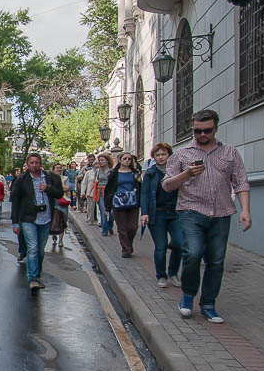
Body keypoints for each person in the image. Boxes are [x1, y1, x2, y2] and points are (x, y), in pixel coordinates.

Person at [162, 109, 251, 324]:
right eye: (197, 131)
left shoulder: (230, 153)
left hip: (221, 213)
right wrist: (187, 174)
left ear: (215, 128)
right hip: (191, 212)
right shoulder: (182, 155)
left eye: (207, 131)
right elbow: (167, 185)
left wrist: (245, 210)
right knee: (192, 254)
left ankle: (208, 305)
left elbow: (241, 182)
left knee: (216, 261)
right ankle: (188, 296)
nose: (202, 135)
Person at [11, 153, 64, 292]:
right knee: (33, 247)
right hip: (28, 218)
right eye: (31, 163)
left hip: (45, 218)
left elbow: (59, 193)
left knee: (40, 250)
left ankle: (37, 274)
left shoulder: (50, 177)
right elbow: (15, 202)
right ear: (27, 165)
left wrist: (48, 188)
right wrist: (15, 222)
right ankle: (32, 278)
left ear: (40, 163)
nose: (34, 165)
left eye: (37, 162)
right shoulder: (22, 179)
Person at [141, 142, 182, 288]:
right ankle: (161, 276)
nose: (161, 157)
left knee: (179, 243)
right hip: (156, 213)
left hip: (175, 212)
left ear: (169, 155)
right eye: (157, 155)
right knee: (161, 246)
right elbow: (144, 193)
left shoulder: (177, 171)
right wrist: (144, 213)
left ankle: (173, 272)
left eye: (163, 154)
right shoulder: (151, 173)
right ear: (154, 157)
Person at [104, 152, 142, 257]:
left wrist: (141, 201)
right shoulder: (114, 173)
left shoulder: (135, 173)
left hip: (133, 202)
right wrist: (107, 206)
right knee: (122, 228)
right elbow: (109, 190)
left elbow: (140, 186)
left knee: (133, 227)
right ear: (120, 160)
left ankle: (128, 244)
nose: (127, 161)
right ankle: (126, 250)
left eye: (129, 159)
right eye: (124, 158)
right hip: (118, 203)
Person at [91, 153, 113, 235]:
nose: (100, 162)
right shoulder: (98, 171)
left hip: (110, 193)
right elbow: (95, 181)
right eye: (99, 160)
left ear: (107, 161)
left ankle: (110, 226)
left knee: (111, 213)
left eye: (102, 160)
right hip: (100, 192)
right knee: (103, 211)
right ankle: (104, 230)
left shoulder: (112, 171)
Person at [48, 163, 68, 250]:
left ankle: (61, 240)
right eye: (57, 168)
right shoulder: (49, 178)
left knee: (63, 220)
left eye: (60, 168)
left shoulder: (65, 178)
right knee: (54, 218)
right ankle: (54, 234)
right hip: (53, 201)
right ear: (53, 170)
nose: (59, 169)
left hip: (63, 201)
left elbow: (67, 188)